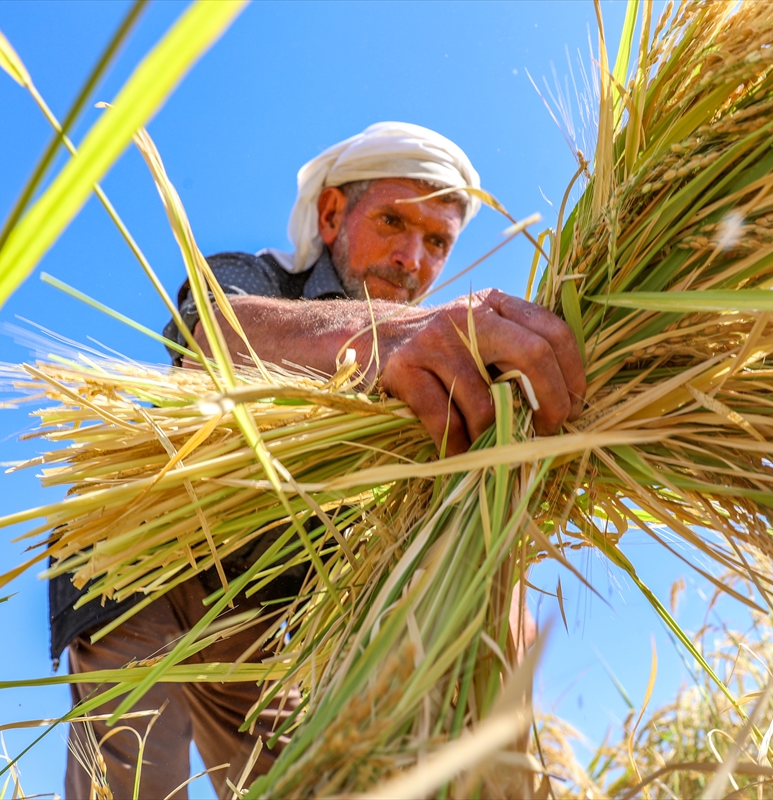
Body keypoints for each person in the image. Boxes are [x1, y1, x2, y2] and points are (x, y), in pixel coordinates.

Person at [55, 122, 585, 800]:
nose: (410, 258)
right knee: (134, 778)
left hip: (260, 619)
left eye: (437, 242)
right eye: (393, 221)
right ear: (333, 213)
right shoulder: (260, 280)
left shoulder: (434, 381)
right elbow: (214, 336)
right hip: (144, 564)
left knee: (311, 782)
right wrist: (391, 338)